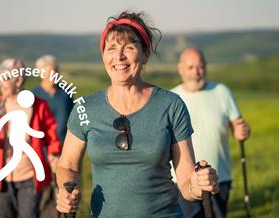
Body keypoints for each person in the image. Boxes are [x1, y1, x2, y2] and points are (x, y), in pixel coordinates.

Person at [56, 11, 219, 217]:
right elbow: (67, 165)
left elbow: (186, 183)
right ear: (103, 55)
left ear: (145, 54)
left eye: (129, 48)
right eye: (111, 48)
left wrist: (197, 185)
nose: (119, 56)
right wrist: (65, 189)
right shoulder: (85, 108)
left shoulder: (171, 105)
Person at [0, 59, 61, 218]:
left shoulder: (39, 106)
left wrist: (54, 155)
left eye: (3, 79)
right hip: (0, 179)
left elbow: (52, 136)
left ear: (18, 80)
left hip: (29, 178)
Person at [171, 48, 251, 218]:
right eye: (190, 67)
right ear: (180, 68)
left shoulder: (221, 92)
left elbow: (238, 126)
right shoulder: (171, 98)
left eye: (200, 67)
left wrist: (242, 132)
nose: (196, 72)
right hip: (183, 182)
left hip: (219, 178)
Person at [32, 55, 74, 218]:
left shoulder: (66, 94)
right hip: (39, 153)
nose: (53, 75)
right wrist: (47, 154)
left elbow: (74, 121)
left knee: (65, 195)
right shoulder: (32, 95)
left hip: (65, 151)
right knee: (42, 196)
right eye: (49, 71)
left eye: (55, 71)